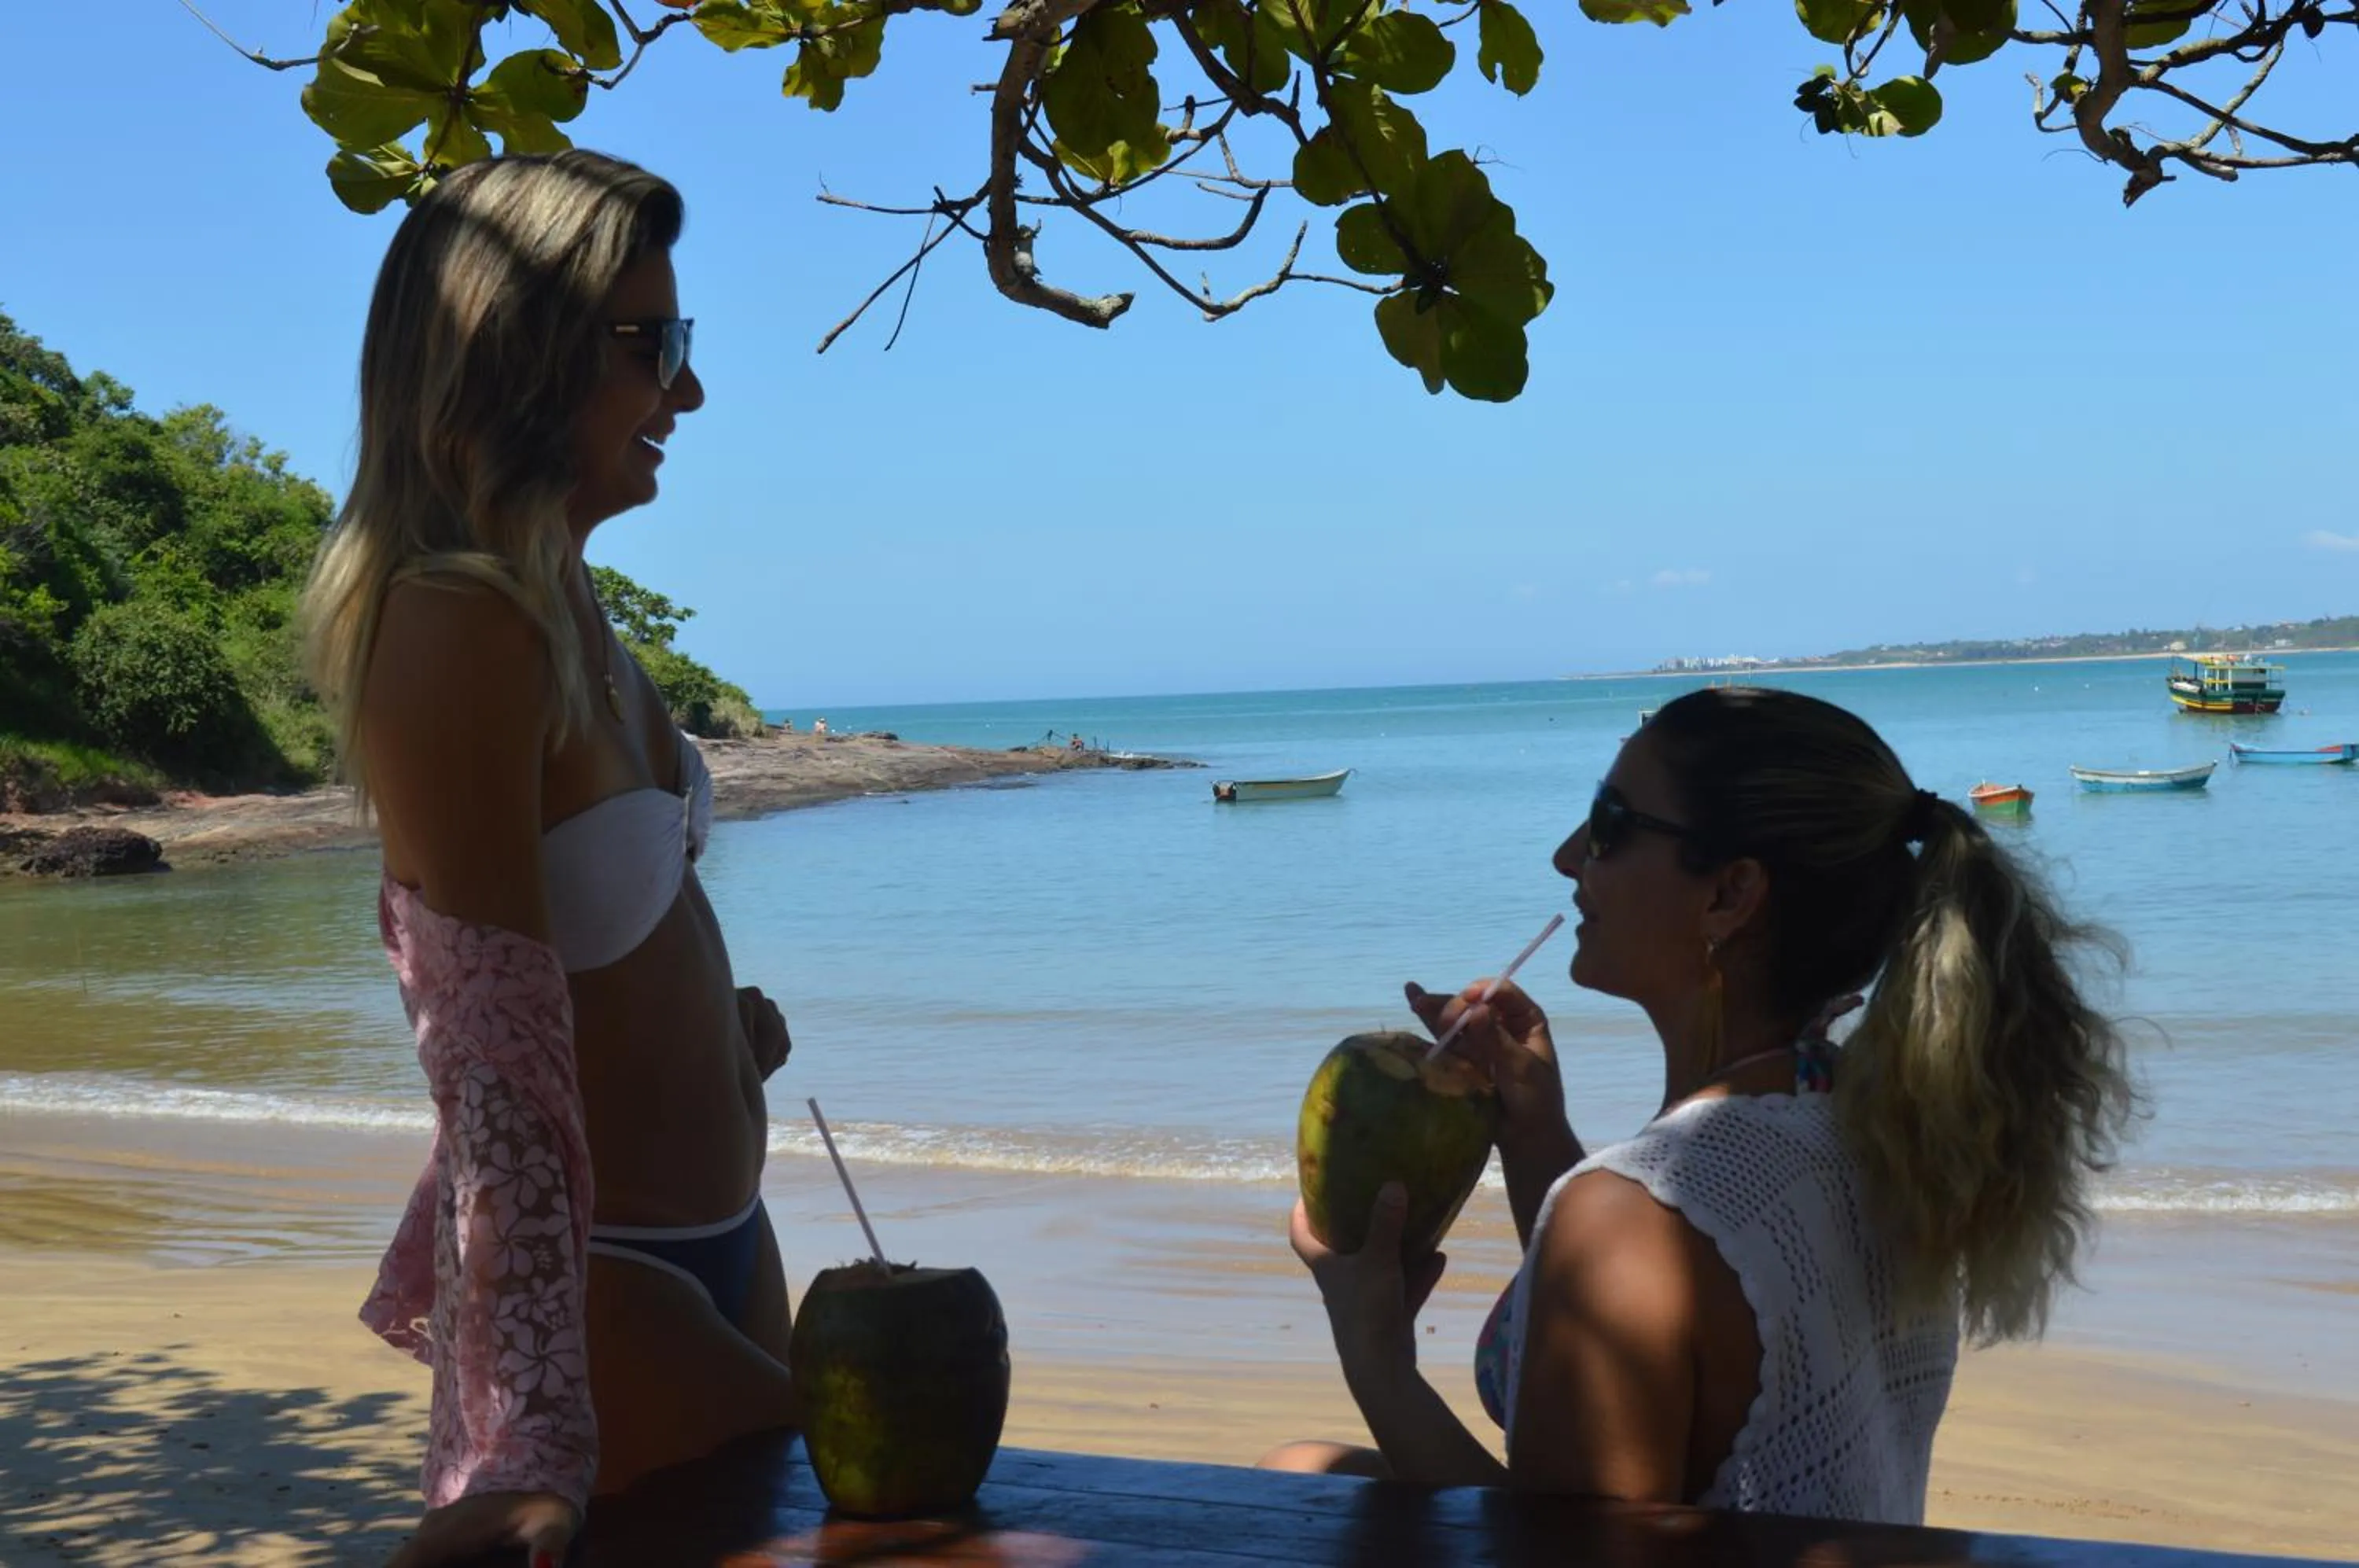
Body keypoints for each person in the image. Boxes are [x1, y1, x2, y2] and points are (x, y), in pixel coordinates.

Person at [1265, 686, 2138, 1525]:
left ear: (1729, 893)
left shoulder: (1634, 1214)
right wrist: (1534, 1130)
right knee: (1304, 1470)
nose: (1569, 854)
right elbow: (1665, 1309)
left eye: (1610, 825)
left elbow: (1562, 1553)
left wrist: (1374, 1353)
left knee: (1286, 1493)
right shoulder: (1871, 1122)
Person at [300, 151, 798, 1567]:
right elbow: (489, 1060)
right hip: (612, 1289)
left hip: (719, 1237)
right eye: (656, 346)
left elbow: (585, 962)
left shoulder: (563, 595)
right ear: (514, 357)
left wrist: (711, 1038)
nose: (686, 392)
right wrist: (523, 1424)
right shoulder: (463, 624)